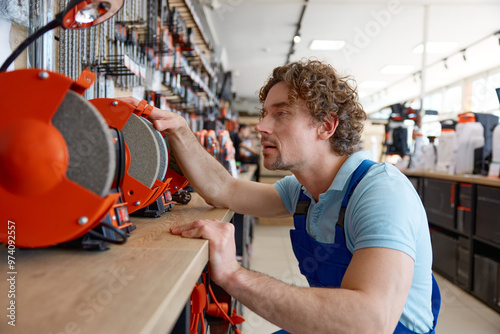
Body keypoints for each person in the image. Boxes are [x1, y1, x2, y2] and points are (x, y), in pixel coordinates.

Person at [121, 59, 440, 334]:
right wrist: (179, 132)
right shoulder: (302, 190)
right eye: (264, 114)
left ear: (326, 126)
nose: (260, 126)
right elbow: (226, 189)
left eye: (281, 114)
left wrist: (233, 275)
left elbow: (370, 321)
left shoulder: (380, 192)